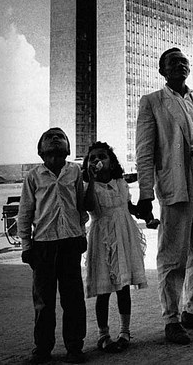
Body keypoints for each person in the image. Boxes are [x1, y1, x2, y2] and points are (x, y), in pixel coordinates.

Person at [136, 47, 193, 345]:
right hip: (175, 175)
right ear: (162, 71)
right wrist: (146, 193)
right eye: (173, 62)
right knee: (173, 250)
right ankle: (171, 318)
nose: (180, 65)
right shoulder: (152, 102)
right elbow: (145, 151)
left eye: (184, 61)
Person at [17, 127, 88, 364]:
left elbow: (80, 206)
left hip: (70, 243)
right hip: (43, 246)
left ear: (68, 148)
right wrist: (26, 245)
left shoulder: (75, 172)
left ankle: (74, 347)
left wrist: (81, 234)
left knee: (73, 299)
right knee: (43, 301)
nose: (56, 138)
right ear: (41, 150)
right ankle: (43, 348)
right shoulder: (33, 177)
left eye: (61, 136)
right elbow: (25, 212)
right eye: (50, 137)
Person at [82, 141, 147, 353]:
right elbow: (89, 206)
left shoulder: (120, 183)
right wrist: (91, 180)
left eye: (102, 156)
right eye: (93, 158)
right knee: (103, 289)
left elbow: (129, 207)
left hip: (124, 236)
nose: (97, 161)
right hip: (102, 239)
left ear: (112, 162)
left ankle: (124, 331)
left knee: (123, 287)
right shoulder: (88, 186)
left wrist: (146, 213)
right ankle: (103, 334)